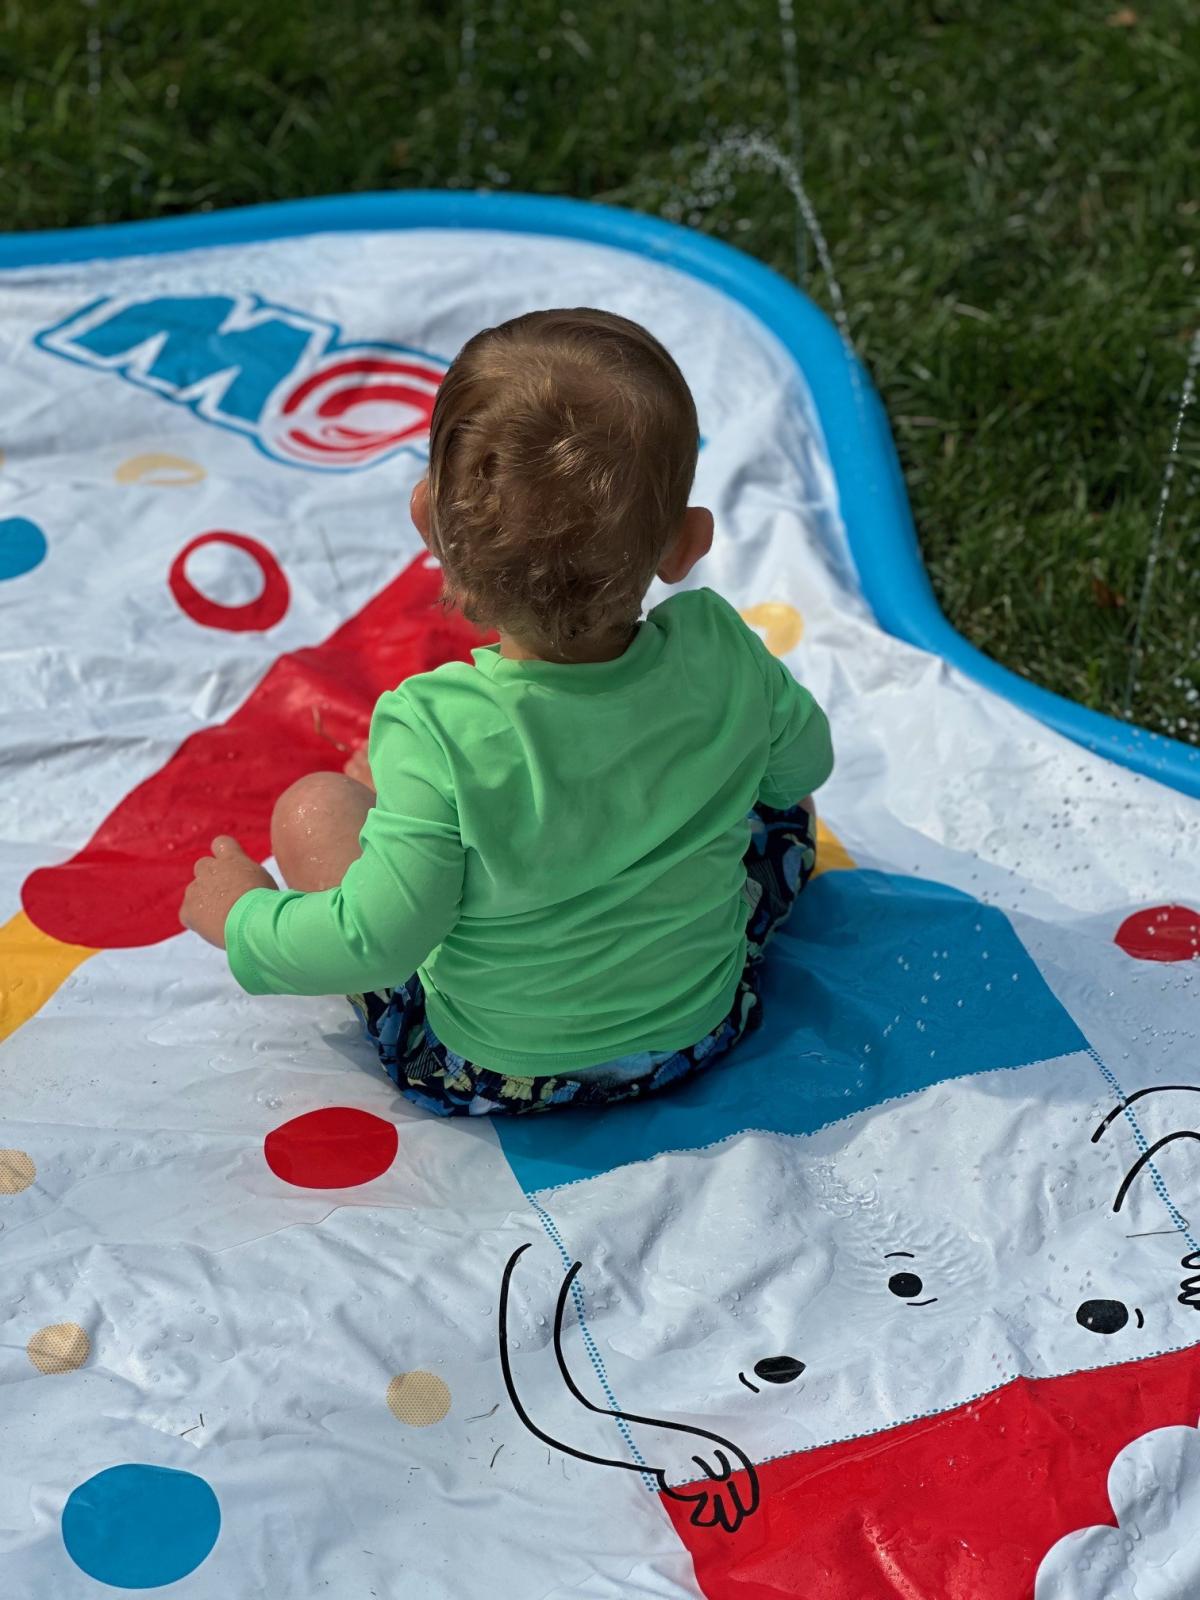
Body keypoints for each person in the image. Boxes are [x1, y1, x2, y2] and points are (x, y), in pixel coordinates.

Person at [180, 308, 833, 1116]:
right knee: (784, 803)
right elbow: (805, 770)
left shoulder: (435, 727)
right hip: (698, 1027)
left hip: (499, 1067)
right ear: (684, 544)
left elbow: (377, 943)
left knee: (313, 807)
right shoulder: (721, 649)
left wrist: (240, 919)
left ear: (428, 519)